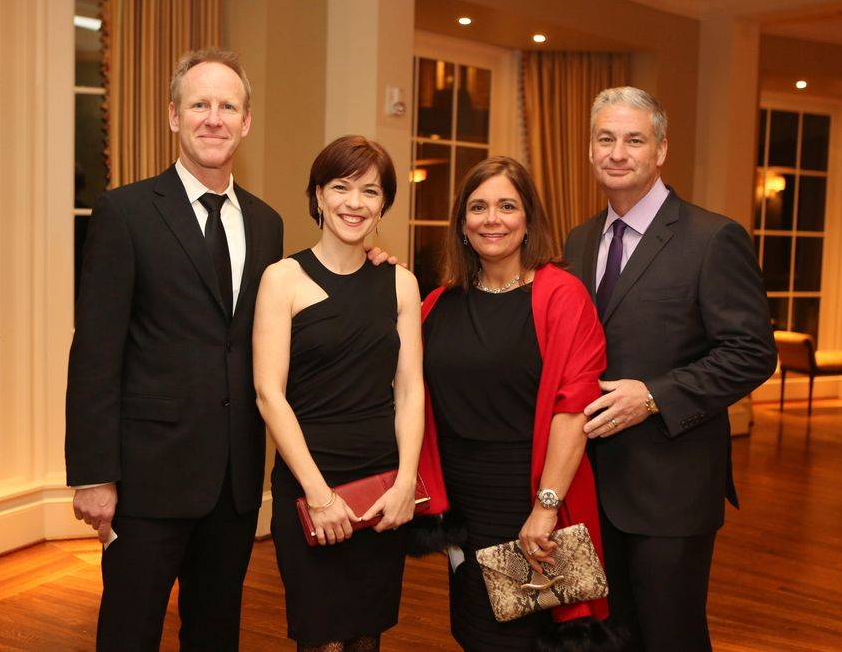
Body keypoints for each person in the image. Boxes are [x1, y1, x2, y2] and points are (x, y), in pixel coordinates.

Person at [65, 49, 284, 651]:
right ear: (172, 116)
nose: (213, 118)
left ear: (246, 123)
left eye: (227, 106)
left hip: (234, 483)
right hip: (146, 479)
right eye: (199, 104)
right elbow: (95, 352)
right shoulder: (125, 212)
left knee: (215, 633)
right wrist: (93, 474)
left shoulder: (267, 225)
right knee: (130, 632)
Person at [562, 87, 778, 651]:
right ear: (589, 150)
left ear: (660, 150)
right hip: (587, 483)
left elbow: (752, 352)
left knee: (669, 636)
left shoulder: (712, 238)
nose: (618, 152)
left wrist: (654, 396)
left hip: (671, 485)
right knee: (607, 637)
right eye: (605, 139)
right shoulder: (579, 239)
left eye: (634, 140)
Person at [417, 156, 614, 651]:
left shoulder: (562, 295)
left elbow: (574, 410)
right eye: (478, 207)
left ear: (528, 219)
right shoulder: (439, 303)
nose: (492, 219)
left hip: (531, 502)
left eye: (508, 206)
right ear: (462, 223)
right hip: (463, 506)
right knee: (475, 631)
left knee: (530, 639)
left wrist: (545, 509)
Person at [253, 135, 424, 652]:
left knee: (366, 635)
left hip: (381, 488)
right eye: (341, 187)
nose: (355, 202)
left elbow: (410, 390)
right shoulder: (282, 278)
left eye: (370, 191)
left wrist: (406, 483)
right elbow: (268, 393)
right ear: (318, 196)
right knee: (320, 635)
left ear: (383, 205)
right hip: (310, 485)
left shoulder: (401, 283)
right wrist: (319, 494)